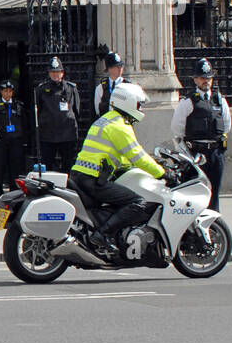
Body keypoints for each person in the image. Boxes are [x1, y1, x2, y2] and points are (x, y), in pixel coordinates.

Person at [69, 82, 166, 256]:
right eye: (138, 103)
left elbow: (122, 157)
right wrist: (162, 172)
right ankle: (102, 234)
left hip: (82, 176)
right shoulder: (120, 126)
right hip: (94, 179)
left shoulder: (105, 120)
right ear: (128, 102)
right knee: (137, 202)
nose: (140, 107)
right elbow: (138, 155)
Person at [172, 58, 231, 211]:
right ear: (195, 79)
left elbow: (227, 125)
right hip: (196, 153)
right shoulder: (188, 101)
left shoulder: (219, 100)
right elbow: (177, 128)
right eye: (202, 78)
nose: (206, 81)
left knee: (214, 192)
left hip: (216, 152)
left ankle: (213, 226)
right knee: (196, 192)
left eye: (209, 78)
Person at [34, 56, 80, 172]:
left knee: (67, 166)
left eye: (57, 72)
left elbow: (76, 110)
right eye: (53, 72)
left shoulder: (70, 88)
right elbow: (37, 110)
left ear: (62, 73)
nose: (55, 75)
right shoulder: (41, 89)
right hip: (48, 134)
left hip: (67, 134)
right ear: (49, 73)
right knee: (48, 166)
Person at [0, 80, 28, 201]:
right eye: (5, 91)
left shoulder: (18, 105)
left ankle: (15, 195)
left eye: (10, 91)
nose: (8, 94)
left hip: (15, 141)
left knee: (14, 170)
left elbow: (24, 122)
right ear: (1, 92)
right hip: (0, 141)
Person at [94, 51, 128, 115]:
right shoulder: (101, 88)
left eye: (121, 66)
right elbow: (98, 110)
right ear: (109, 69)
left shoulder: (127, 85)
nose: (120, 69)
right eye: (117, 66)